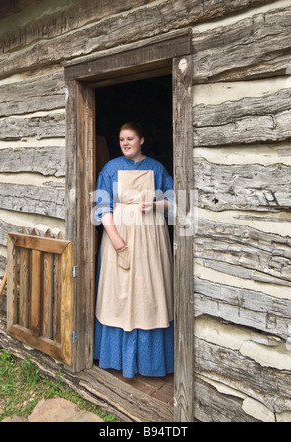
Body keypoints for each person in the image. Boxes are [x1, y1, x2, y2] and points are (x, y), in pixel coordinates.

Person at [93, 122, 174, 378]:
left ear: (141, 140)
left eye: (130, 138)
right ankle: (115, 357)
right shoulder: (110, 169)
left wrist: (155, 203)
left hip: (151, 242)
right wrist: (115, 237)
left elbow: (175, 203)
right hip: (120, 239)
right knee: (120, 293)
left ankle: (151, 361)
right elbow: (102, 205)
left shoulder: (157, 168)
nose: (125, 143)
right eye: (121, 139)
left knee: (148, 292)